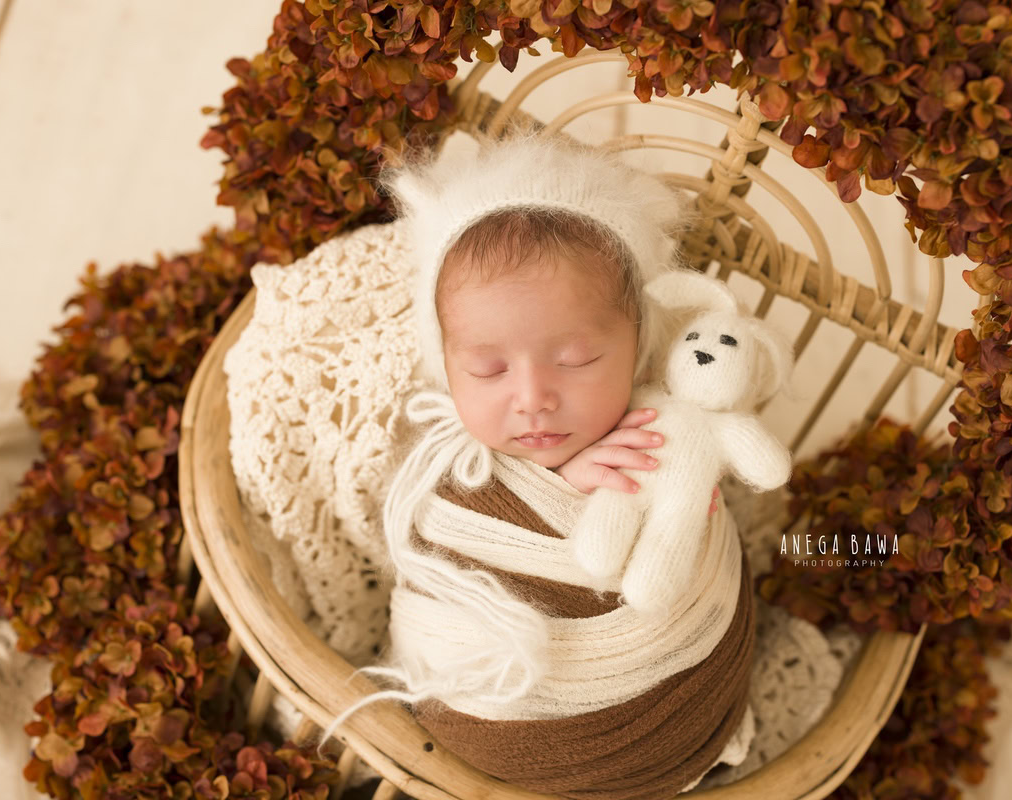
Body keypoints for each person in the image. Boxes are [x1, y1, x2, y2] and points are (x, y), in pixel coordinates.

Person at [316, 125, 758, 799]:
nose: (533, 401)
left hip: (663, 724)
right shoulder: (447, 457)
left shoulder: (665, 424)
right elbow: (435, 546)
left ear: (639, 342)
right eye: (487, 368)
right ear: (446, 364)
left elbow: (687, 538)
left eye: (576, 360)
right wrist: (548, 493)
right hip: (489, 719)